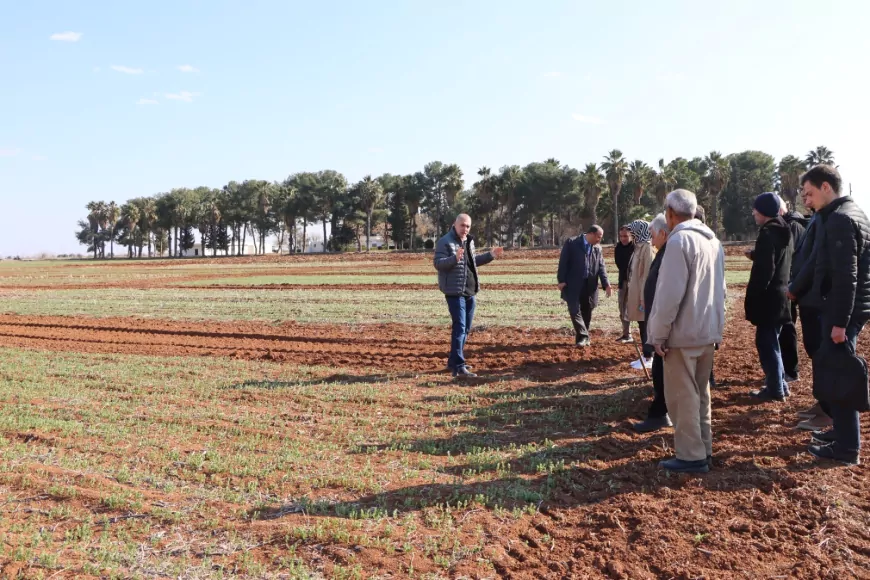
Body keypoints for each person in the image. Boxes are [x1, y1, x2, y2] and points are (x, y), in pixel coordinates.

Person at [648, 189, 726, 474]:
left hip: (682, 334)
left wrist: (657, 334)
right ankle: (704, 448)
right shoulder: (713, 240)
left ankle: (691, 456)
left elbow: (669, 296)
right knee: (701, 394)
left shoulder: (679, 241)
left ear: (669, 212)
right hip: (708, 331)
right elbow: (722, 290)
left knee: (683, 397)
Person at [800, 165, 870, 466]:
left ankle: (846, 448)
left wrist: (840, 322)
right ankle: (841, 434)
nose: (807, 201)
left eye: (810, 193)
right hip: (844, 308)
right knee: (835, 371)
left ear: (826, 187)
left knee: (841, 375)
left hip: (842, 311)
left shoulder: (840, 220)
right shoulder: (851, 213)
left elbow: (846, 276)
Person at [434, 214, 503, 378]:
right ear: (455, 225)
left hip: (470, 291)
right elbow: (438, 263)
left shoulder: (469, 242)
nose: (465, 229)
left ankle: (453, 361)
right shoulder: (445, 241)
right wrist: (454, 258)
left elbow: (472, 261)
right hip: (454, 291)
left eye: (468, 226)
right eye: (462, 225)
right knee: (460, 327)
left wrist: (490, 255)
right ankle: (458, 366)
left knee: (465, 328)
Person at [745, 192, 794, 402]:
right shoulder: (785, 231)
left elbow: (765, 270)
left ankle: (775, 389)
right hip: (782, 296)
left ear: (764, 211)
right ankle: (780, 384)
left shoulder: (767, 234)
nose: (754, 212)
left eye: (756, 209)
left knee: (766, 344)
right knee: (773, 342)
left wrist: (753, 298)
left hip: (768, 300)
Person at [788, 186, 827, 430]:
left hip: (818, 298)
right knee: (815, 352)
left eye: (809, 192)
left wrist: (796, 286)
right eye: (803, 193)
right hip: (809, 298)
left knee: (825, 355)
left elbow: (816, 260)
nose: (804, 197)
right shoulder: (815, 219)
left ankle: (829, 409)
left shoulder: (829, 220)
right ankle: (823, 403)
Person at [632, 213, 672, 433]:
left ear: (663, 233)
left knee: (663, 370)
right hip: (661, 322)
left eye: (654, 234)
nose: (652, 239)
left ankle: (661, 413)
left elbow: (666, 293)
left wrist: (659, 330)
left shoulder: (667, 253)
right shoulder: (663, 251)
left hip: (667, 326)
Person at [557, 225, 612, 346]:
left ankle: (582, 339)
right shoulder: (572, 243)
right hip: (573, 283)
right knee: (574, 309)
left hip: (590, 285)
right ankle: (583, 335)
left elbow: (601, 267)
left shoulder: (597, 248)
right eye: (598, 237)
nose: (599, 240)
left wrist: (606, 284)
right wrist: (561, 280)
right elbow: (563, 262)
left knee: (587, 311)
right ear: (591, 234)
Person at [625, 220, 654, 369]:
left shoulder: (647, 247)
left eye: (633, 231)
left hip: (642, 295)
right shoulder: (638, 247)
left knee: (645, 325)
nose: (631, 233)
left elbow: (646, 275)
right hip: (637, 293)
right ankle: (646, 355)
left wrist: (643, 298)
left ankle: (649, 357)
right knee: (642, 324)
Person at [614, 226, 635, 342]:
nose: (623, 238)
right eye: (621, 236)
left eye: (626, 236)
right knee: (622, 308)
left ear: (631, 236)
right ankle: (627, 334)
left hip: (635, 282)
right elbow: (620, 264)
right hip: (623, 281)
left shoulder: (636, 247)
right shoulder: (618, 247)